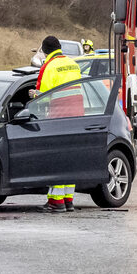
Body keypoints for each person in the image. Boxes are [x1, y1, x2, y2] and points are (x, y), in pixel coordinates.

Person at [33, 36, 83, 213]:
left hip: (58, 118)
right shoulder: (73, 63)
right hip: (77, 118)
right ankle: (68, 200)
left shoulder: (49, 66)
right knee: (70, 160)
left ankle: (56, 202)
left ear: (45, 50)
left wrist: (33, 95)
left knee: (56, 160)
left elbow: (43, 95)